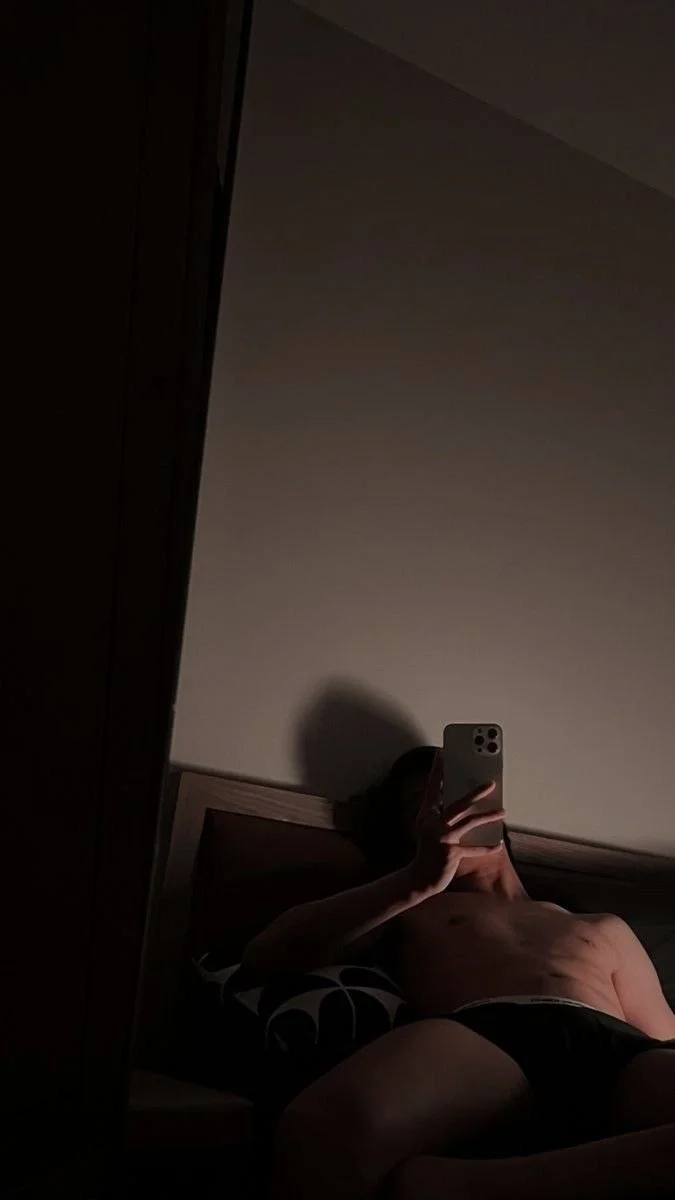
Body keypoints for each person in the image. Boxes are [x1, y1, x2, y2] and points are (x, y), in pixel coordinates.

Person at [243, 747, 675, 1200]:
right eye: (423, 804)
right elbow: (265, 956)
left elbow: (662, 1034)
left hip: (616, 1044)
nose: (451, 809)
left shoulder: (600, 925)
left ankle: (453, 1185)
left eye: (462, 792)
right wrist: (416, 880)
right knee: (321, 1132)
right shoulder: (408, 905)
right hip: (489, 1030)